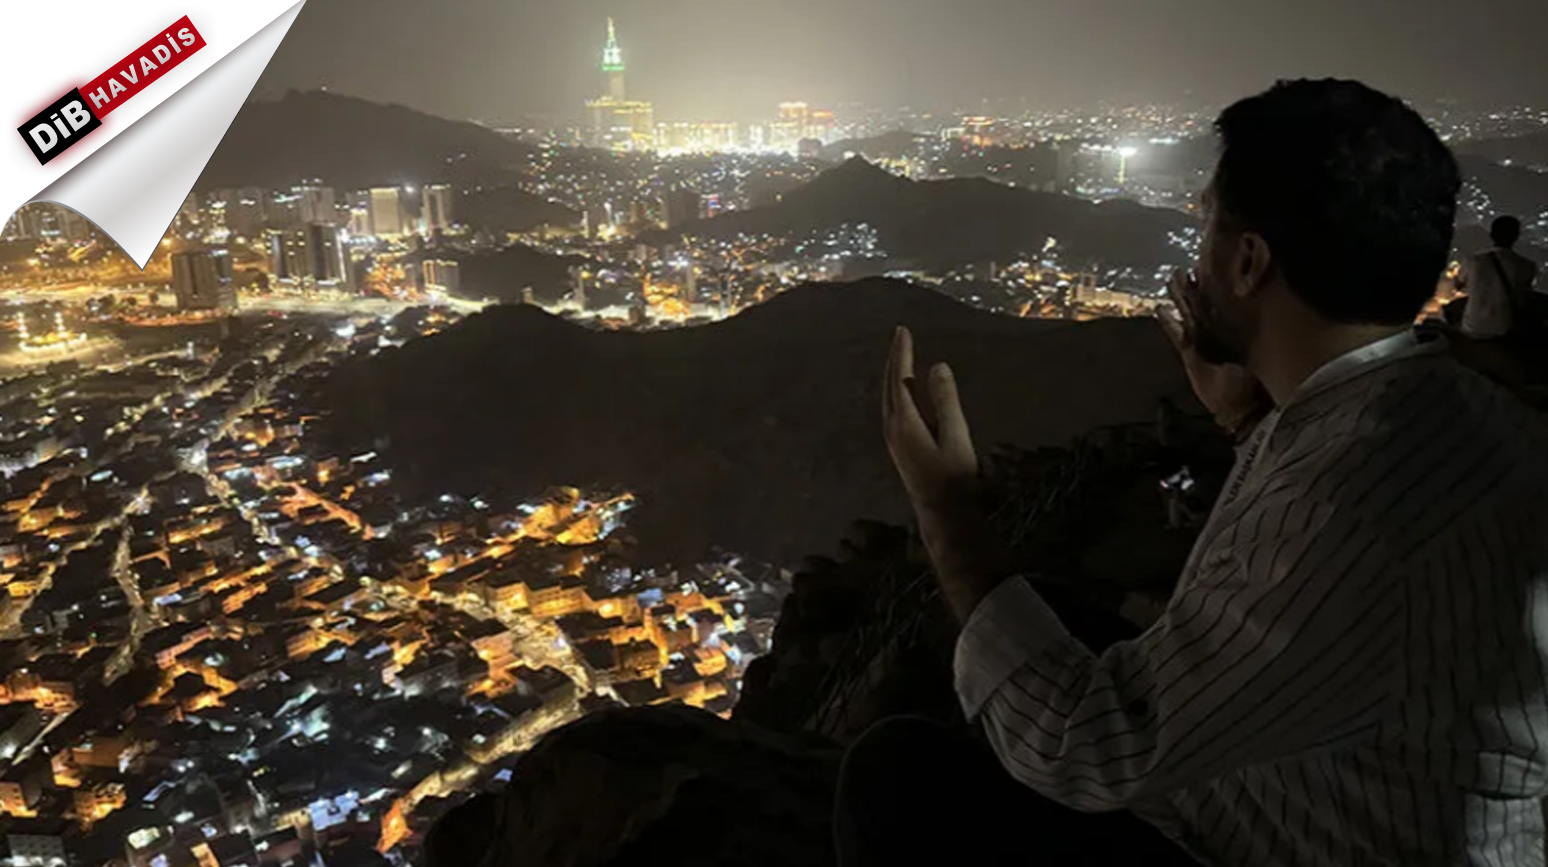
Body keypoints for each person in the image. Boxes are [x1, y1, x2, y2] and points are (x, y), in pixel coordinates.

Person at [841, 78, 1548, 866]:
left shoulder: (1346, 505)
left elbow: (1094, 748)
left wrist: (947, 509)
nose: (1194, 241)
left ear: (1248, 261)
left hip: (1295, 836)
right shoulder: (1450, 406)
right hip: (1338, 784)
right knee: (1049, 612)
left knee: (896, 775)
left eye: (1207, 219)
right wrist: (1248, 420)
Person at [1457, 215, 1541, 342]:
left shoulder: (1472, 260)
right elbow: (1524, 295)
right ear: (1516, 237)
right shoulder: (1527, 266)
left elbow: (1459, 285)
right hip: (1505, 328)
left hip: (1472, 328)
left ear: (1491, 235)